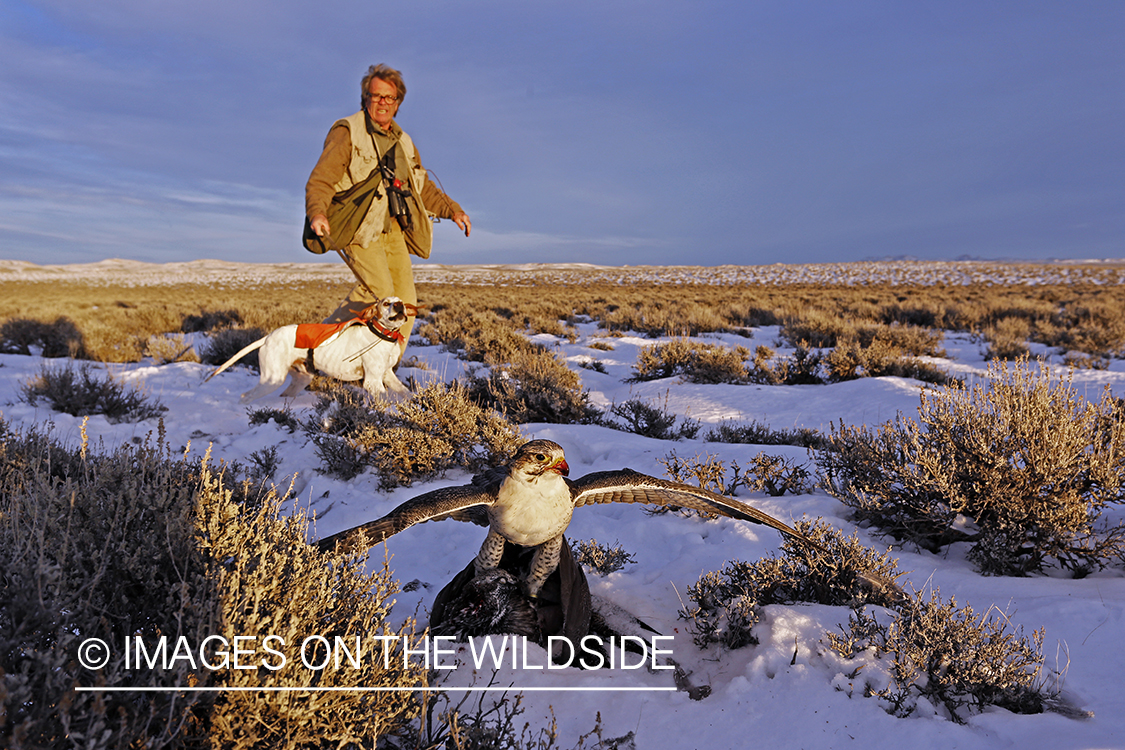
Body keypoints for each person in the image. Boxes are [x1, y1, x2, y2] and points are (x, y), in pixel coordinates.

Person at [305, 63, 471, 359]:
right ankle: (314, 349)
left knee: (405, 303)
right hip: (361, 230)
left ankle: (385, 367)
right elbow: (321, 179)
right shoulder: (348, 132)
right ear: (365, 98)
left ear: (398, 103)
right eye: (376, 95)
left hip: (394, 232)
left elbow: (421, 187)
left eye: (389, 98)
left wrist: (453, 211)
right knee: (377, 294)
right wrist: (317, 212)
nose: (383, 102)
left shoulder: (403, 142)